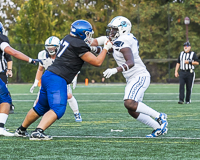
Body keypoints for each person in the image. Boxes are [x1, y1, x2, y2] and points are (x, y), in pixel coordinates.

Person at [14, 19, 112, 140]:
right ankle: (38, 132)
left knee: (40, 107)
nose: (88, 36)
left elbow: (88, 49)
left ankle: (21, 130)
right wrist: (106, 48)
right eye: (87, 33)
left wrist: (99, 49)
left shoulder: (68, 38)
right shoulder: (78, 44)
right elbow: (97, 62)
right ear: (81, 33)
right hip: (57, 78)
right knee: (58, 108)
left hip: (48, 75)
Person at [90, 16, 168, 137]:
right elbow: (108, 48)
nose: (111, 32)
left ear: (123, 29)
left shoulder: (124, 41)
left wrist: (115, 70)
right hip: (132, 78)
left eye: (114, 29)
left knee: (129, 103)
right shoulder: (121, 39)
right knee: (132, 110)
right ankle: (158, 128)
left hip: (139, 75)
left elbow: (130, 62)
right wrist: (92, 47)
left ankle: (159, 116)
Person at [0, 22, 42, 136]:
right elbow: (13, 52)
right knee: (5, 100)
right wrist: (31, 60)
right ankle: (0, 128)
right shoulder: (1, 39)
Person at [29, 36, 82, 122]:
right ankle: (34, 115)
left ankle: (76, 113)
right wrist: (35, 82)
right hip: (49, 80)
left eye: (53, 47)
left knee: (68, 95)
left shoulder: (64, 55)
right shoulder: (42, 55)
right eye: (48, 47)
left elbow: (74, 67)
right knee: (39, 99)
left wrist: (75, 78)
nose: (51, 49)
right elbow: (40, 69)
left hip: (62, 78)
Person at [0, 48, 15, 114]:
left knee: (3, 89)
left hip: (1, 72)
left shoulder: (2, 47)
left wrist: (9, 70)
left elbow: (9, 59)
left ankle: (10, 106)